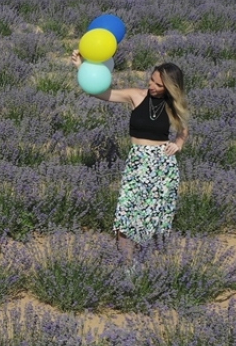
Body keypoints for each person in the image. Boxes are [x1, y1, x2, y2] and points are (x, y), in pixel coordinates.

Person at [71, 52, 190, 251]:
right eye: (152, 80)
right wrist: (81, 67)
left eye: (159, 85)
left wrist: (178, 144)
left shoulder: (173, 106)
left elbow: (183, 131)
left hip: (162, 166)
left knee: (151, 219)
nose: (152, 86)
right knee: (125, 215)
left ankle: (143, 266)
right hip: (137, 163)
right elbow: (101, 93)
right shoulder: (136, 95)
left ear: (170, 88)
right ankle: (126, 268)